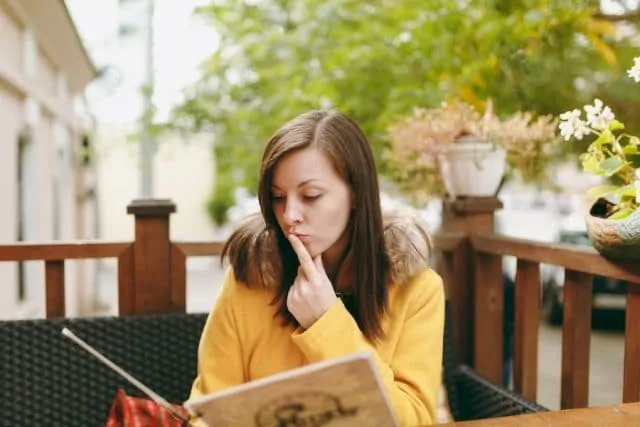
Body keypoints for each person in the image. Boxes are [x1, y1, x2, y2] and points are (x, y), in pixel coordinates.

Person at [189, 109, 445, 425]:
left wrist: (326, 322)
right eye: (277, 197)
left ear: (356, 195)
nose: (289, 214)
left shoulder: (417, 289)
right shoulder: (247, 281)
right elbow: (205, 412)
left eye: (311, 196)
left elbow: (414, 420)